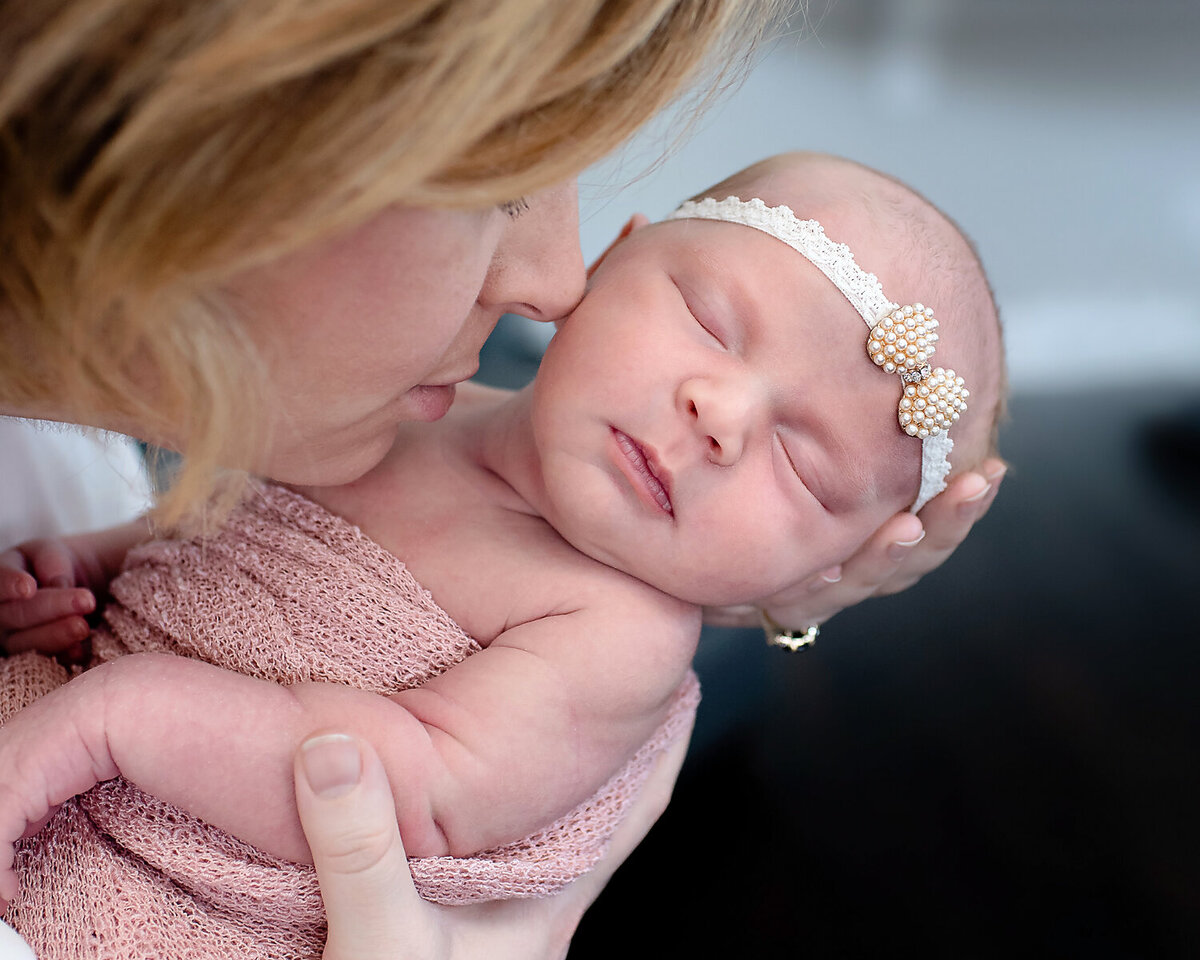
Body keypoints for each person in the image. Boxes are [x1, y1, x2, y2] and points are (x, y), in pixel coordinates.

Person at [0, 0, 1003, 953]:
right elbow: (230, 532)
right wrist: (98, 563)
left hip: (184, 861)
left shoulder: (617, 636)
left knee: (729, 679)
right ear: (618, 262)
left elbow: (401, 795)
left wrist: (109, 698)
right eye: (708, 319)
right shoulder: (427, 410)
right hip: (99, 729)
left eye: (804, 468)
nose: (722, 419)